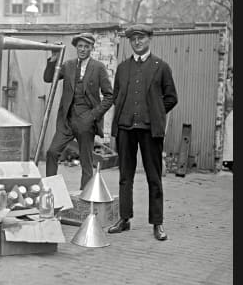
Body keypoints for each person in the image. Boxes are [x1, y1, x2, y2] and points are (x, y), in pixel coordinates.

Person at [108, 24, 178, 241]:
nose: (137, 42)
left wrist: (155, 113)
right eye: (133, 39)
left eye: (141, 38)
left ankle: (157, 223)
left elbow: (171, 97)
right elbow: (117, 96)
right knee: (124, 177)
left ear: (149, 39)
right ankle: (124, 218)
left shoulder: (161, 66)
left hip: (150, 130)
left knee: (154, 177)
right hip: (125, 128)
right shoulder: (123, 68)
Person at [43, 32, 113, 191]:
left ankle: (84, 199)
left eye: (86, 47)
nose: (82, 49)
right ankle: (51, 192)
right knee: (52, 152)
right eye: (80, 46)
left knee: (86, 161)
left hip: (86, 121)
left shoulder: (98, 67)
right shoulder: (67, 65)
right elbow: (48, 78)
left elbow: (109, 96)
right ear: (76, 47)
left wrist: (93, 116)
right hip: (66, 121)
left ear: (91, 48)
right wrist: (53, 58)